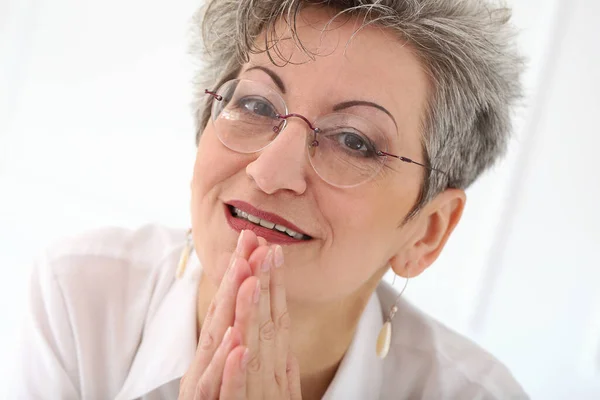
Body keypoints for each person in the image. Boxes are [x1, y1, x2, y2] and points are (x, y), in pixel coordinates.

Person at [12, 0, 528, 399]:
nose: (269, 169)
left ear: (428, 230)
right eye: (256, 104)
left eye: (354, 140)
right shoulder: (81, 295)